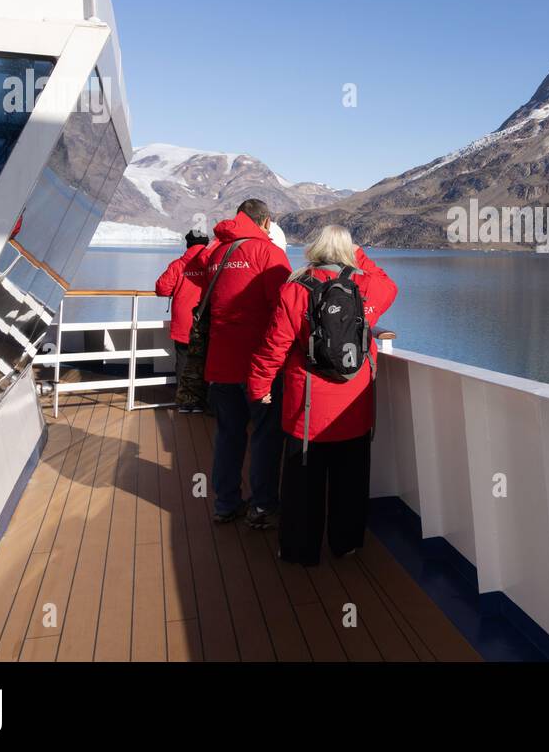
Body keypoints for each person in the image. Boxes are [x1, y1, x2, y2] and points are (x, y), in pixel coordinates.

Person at [246, 225, 397, 566]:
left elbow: (275, 346)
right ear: (348, 251)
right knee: (350, 481)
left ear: (314, 248)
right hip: (354, 408)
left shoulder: (295, 289)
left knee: (303, 485)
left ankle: (301, 550)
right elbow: (389, 282)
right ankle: (346, 544)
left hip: (307, 407)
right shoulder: (369, 287)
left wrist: (260, 386)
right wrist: (357, 254)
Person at [187, 198, 291, 527]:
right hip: (259, 366)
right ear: (267, 222)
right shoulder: (269, 254)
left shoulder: (216, 253)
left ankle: (226, 504)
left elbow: (208, 293)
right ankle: (262, 507)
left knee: (229, 434)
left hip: (221, 363)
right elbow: (285, 308)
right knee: (264, 435)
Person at [156, 229, 209, 413]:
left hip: (183, 323)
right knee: (205, 362)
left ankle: (185, 403)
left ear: (188, 245)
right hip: (206, 322)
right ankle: (204, 403)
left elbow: (162, 288)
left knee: (184, 362)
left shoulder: (178, 265)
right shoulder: (212, 265)